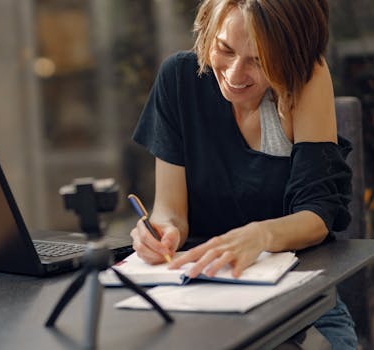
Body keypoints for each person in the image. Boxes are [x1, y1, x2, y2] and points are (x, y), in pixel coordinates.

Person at [129, 0, 358, 348]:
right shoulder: (178, 79)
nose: (235, 76)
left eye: (259, 61)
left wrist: (259, 236)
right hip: (200, 301)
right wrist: (163, 231)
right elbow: (171, 211)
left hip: (301, 309)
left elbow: (317, 216)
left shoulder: (305, 80)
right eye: (224, 49)